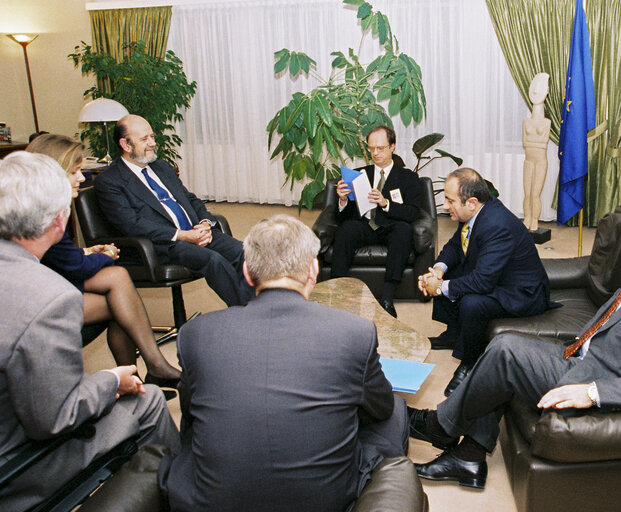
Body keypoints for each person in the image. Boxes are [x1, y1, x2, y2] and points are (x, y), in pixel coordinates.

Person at [408, 193, 621, 489]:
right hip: (581, 356)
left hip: (596, 378)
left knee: (505, 352)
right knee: (504, 347)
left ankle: (440, 426)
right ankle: (469, 456)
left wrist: (593, 393)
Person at [158, 215, 408, 512]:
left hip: (212, 500)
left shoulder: (195, 334)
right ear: (313, 271)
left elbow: (190, 411)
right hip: (324, 500)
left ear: (247, 275)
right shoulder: (355, 331)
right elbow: (379, 408)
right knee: (396, 410)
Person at [0, 152, 180, 511]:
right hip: (15, 469)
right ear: (59, 221)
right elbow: (56, 418)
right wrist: (111, 381)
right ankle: (186, 496)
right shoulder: (48, 300)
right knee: (148, 402)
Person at [27, 134, 181, 389]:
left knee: (118, 279)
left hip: (52, 279)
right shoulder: (43, 213)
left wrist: (86, 252)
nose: (82, 177)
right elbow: (73, 267)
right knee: (120, 302)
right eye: (75, 172)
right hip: (42, 297)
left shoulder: (44, 203)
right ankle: (149, 371)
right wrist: (103, 256)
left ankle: (143, 374)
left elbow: (58, 256)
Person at [94, 114, 252, 307]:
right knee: (214, 260)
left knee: (244, 252)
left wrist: (204, 223)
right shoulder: (110, 181)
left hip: (195, 231)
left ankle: (258, 305)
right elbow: (131, 224)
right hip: (162, 244)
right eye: (144, 139)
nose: (152, 143)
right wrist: (183, 235)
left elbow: (190, 199)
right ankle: (247, 312)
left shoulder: (161, 167)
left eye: (152, 136)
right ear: (126, 145)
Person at [418, 168, 552, 396]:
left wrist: (438, 288)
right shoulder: (475, 212)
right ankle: (454, 334)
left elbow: (482, 282)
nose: (444, 206)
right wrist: (438, 272)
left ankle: (469, 363)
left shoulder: (497, 225)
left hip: (520, 293)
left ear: (471, 202)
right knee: (451, 269)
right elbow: (453, 246)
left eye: (449, 200)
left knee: (472, 301)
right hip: (497, 276)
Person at [331, 125, 422, 318]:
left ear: (392, 147)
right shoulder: (358, 174)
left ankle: (387, 298)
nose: (375, 153)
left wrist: (385, 203)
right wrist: (342, 200)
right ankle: (339, 292)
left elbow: (413, 213)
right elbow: (339, 217)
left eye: (380, 148)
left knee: (403, 230)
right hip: (364, 225)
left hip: (390, 225)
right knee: (346, 229)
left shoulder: (408, 178)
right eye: (371, 148)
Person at [521, 72, 551, 232]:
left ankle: (534, 219)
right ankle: (527, 218)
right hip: (528, 160)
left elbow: (543, 143)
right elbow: (526, 142)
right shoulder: (526, 122)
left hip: (540, 161)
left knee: (535, 194)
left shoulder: (546, 122)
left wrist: (535, 141)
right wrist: (535, 141)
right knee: (527, 193)